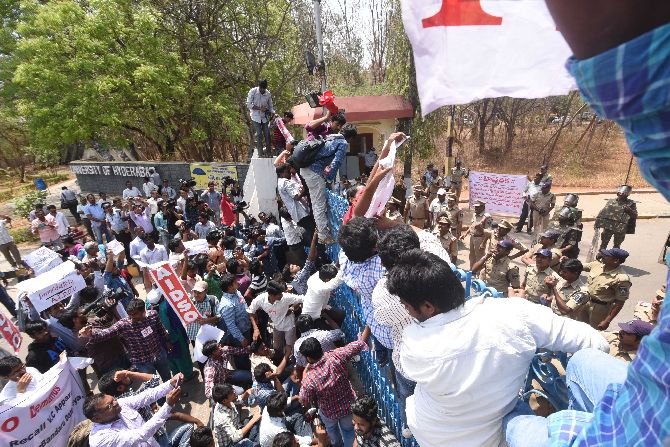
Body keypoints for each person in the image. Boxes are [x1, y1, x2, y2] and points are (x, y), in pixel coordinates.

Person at [387, 249, 609, 447]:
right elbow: (596, 343)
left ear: (427, 306)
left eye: (407, 306)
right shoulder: (514, 314)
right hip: (493, 437)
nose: (407, 313)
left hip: (432, 434)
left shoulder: (413, 342)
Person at [299, 326, 371, 447]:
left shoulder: (309, 379)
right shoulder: (337, 355)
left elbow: (303, 400)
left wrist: (304, 377)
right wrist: (369, 325)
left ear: (308, 358)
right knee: (349, 432)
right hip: (348, 407)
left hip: (328, 413)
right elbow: (359, 344)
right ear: (320, 349)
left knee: (332, 432)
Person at [81, 298, 173, 381]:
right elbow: (108, 332)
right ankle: (161, 400)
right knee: (152, 384)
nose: (132, 317)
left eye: (135, 314)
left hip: (159, 354)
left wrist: (168, 341)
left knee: (167, 377)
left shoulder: (153, 315)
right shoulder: (124, 324)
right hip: (142, 361)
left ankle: (172, 393)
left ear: (143, 311)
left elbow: (161, 329)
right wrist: (91, 334)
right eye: (130, 314)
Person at [85, 372, 183, 447]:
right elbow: (141, 434)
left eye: (113, 399)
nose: (115, 403)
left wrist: (170, 383)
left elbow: (146, 396)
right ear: (97, 419)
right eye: (109, 406)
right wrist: (167, 405)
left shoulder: (120, 403)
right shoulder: (100, 439)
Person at [300, 123, 358, 244]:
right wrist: (329, 179)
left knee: (317, 202)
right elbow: (336, 163)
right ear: (351, 137)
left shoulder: (331, 136)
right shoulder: (343, 143)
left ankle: (321, 229)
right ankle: (323, 236)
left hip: (307, 169)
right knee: (319, 204)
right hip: (314, 172)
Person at [248, 280, 303, 352]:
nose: (282, 295)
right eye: (279, 294)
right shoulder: (259, 300)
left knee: (291, 349)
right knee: (276, 348)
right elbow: (251, 312)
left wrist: (292, 308)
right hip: (277, 326)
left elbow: (301, 299)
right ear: (271, 295)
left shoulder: (285, 297)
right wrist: (255, 329)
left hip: (289, 326)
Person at [583, 248, 632, 330]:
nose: (603, 256)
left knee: (593, 333)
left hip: (600, 309)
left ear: (616, 260)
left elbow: (620, 302)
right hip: (585, 301)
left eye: (607, 255)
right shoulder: (597, 265)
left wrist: (607, 320)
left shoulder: (622, 279)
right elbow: (580, 266)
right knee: (579, 328)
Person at [595, 184, 638, 250]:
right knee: (603, 245)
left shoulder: (631, 204)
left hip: (620, 229)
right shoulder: (611, 201)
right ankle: (601, 256)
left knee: (616, 247)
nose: (620, 194)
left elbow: (635, 216)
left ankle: (614, 259)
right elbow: (602, 213)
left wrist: (629, 210)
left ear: (627, 194)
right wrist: (597, 223)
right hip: (608, 227)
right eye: (619, 192)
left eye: (623, 193)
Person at [217, 273, 253, 347]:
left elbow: (244, 304)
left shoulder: (237, 292)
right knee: (241, 357)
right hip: (239, 336)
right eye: (235, 282)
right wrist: (241, 339)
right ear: (230, 287)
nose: (239, 282)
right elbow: (231, 325)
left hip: (247, 327)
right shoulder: (227, 305)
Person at [247, 79, 274, 158]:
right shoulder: (253, 91)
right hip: (255, 116)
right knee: (259, 134)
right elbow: (248, 104)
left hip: (264, 117)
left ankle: (269, 153)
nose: (262, 90)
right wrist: (259, 109)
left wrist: (272, 112)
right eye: (261, 88)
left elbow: (270, 106)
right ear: (259, 87)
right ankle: (260, 153)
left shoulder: (268, 94)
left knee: (267, 134)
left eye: (264, 89)